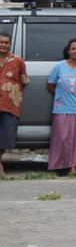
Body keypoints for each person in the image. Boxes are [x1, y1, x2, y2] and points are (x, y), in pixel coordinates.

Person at [45, 38, 76, 173]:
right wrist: (61, 96)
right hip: (62, 108)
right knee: (62, 138)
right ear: (68, 50)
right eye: (73, 48)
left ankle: (75, 166)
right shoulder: (59, 66)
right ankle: (61, 165)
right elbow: (50, 85)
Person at [0, 30, 28, 178]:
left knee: (7, 135)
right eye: (1, 42)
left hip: (10, 104)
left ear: (10, 44)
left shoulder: (18, 61)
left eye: (6, 42)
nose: (3, 45)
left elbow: (24, 81)